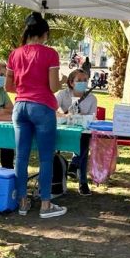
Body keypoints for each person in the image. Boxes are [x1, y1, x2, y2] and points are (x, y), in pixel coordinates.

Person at [6, 12, 67, 219]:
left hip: (20, 106)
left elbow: (8, 86)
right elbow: (53, 86)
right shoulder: (50, 54)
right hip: (42, 106)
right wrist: (62, 81)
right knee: (45, 158)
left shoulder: (14, 54)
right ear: (45, 33)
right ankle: (46, 204)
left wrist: (26, 87)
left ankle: (22, 201)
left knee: (20, 157)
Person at [55, 68, 96, 196]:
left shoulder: (92, 98)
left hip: (81, 130)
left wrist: (82, 116)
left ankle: (77, 171)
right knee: (81, 147)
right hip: (63, 130)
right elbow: (52, 110)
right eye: (79, 80)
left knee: (84, 140)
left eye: (85, 80)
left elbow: (92, 118)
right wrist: (64, 115)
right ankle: (73, 174)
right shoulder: (62, 94)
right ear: (71, 82)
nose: (83, 83)